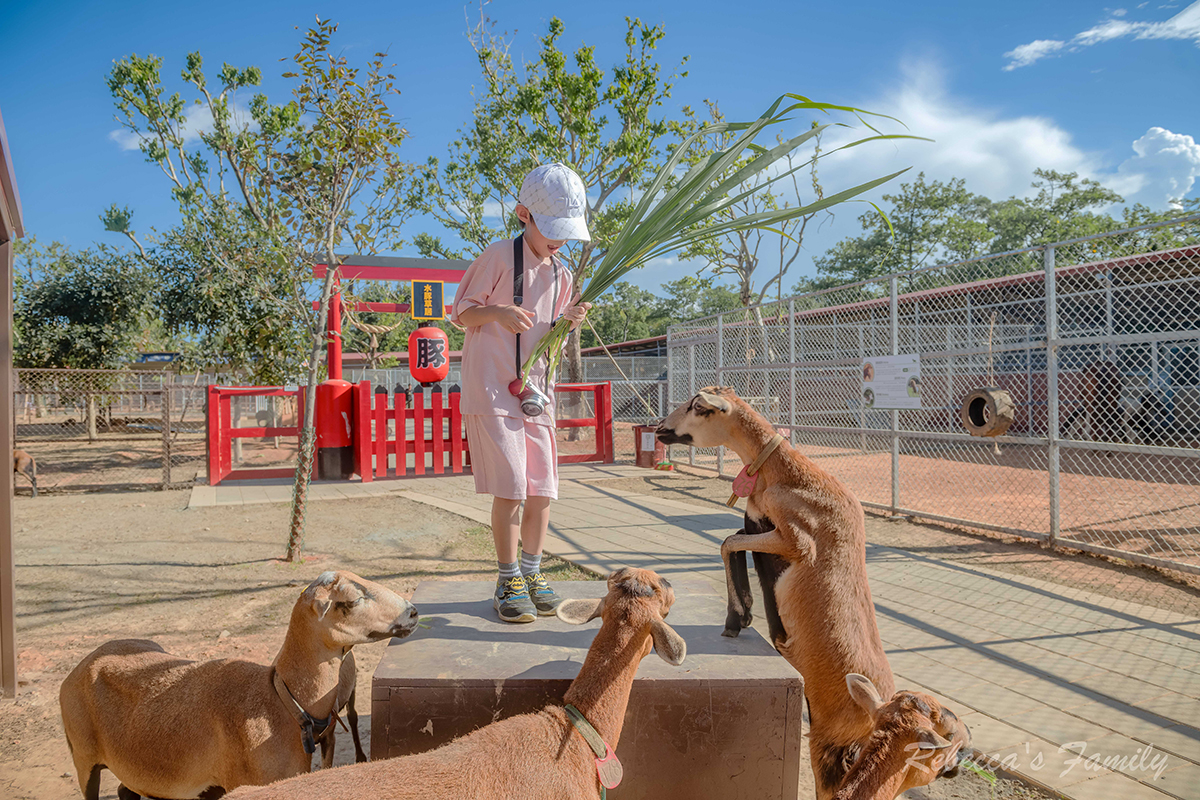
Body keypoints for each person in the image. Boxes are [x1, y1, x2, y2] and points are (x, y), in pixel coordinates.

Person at [451, 163, 592, 623]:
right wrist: (497, 312)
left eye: (566, 232)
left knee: (542, 489)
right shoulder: (497, 257)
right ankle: (508, 577)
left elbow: (551, 340)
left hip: (536, 392)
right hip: (493, 387)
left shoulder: (563, 275)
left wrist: (569, 321)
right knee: (512, 485)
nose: (559, 240)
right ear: (522, 215)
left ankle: (532, 572)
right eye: (551, 230)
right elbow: (462, 315)